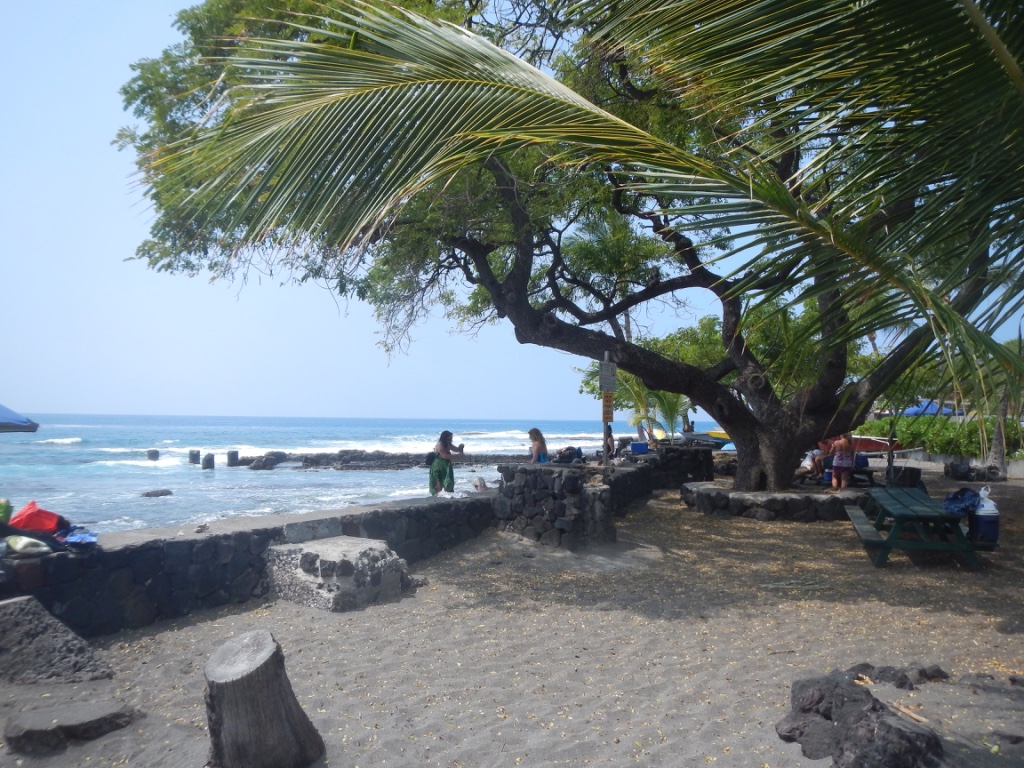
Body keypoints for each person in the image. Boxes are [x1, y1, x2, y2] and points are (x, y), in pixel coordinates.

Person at [428, 430, 465, 495]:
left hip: (446, 466)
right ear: (445, 437)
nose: (450, 440)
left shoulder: (448, 444)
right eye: (449, 438)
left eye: (451, 438)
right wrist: (458, 455)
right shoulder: (440, 445)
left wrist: (461, 448)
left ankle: (447, 494)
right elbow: (445, 456)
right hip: (438, 466)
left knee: (448, 481)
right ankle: (438, 496)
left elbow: (456, 449)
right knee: (438, 481)